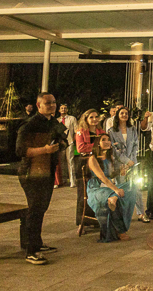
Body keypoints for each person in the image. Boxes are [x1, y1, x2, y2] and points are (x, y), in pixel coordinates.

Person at [15, 93, 67, 265]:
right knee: (35, 209)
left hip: (47, 171)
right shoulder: (30, 124)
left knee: (41, 208)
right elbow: (20, 150)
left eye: (53, 102)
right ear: (38, 105)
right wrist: (44, 150)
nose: (51, 105)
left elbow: (64, 141)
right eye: (47, 103)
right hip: (31, 172)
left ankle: (35, 242)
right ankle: (31, 250)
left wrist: (60, 144)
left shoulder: (53, 122)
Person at [86, 134, 137, 242]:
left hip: (109, 187)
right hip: (96, 188)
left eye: (109, 140)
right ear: (98, 144)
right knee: (115, 197)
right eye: (103, 140)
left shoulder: (110, 158)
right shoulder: (93, 158)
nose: (107, 142)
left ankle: (113, 197)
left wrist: (122, 171)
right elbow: (102, 177)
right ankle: (121, 232)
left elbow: (112, 176)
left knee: (132, 186)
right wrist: (116, 190)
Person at [109, 106, 145, 222]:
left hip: (132, 163)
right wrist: (125, 161)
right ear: (117, 115)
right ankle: (122, 214)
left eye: (126, 113)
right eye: (122, 113)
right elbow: (113, 150)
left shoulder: (132, 129)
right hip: (120, 165)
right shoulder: (112, 131)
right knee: (121, 188)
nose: (124, 115)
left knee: (136, 187)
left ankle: (141, 213)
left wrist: (132, 160)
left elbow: (136, 145)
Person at [74, 109, 106, 189]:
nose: (94, 119)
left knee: (98, 188)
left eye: (96, 117)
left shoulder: (102, 132)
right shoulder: (80, 131)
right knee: (83, 190)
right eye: (91, 117)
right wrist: (98, 145)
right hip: (85, 163)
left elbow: (106, 146)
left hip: (99, 162)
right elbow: (80, 148)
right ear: (86, 119)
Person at [57, 103, 77, 188]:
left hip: (69, 142)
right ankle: (63, 180)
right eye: (61, 108)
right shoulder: (57, 120)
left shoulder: (72, 119)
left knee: (70, 161)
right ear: (59, 110)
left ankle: (72, 181)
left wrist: (73, 140)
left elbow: (76, 130)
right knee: (62, 162)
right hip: (60, 143)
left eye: (65, 108)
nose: (63, 110)